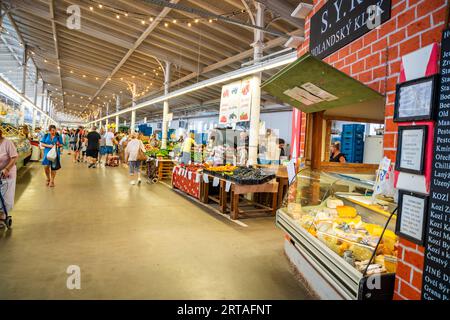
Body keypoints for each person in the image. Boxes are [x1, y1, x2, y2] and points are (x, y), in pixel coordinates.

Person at [0, 129, 18, 225]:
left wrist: (7, 169)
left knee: (5, 196)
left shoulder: (7, 143)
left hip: (7, 173)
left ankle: (2, 216)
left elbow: (14, 157)